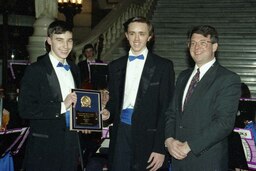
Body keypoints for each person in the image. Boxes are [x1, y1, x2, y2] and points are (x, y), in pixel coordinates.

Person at [102, 16, 175, 171]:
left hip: (149, 138)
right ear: (126, 35)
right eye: (132, 33)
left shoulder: (163, 66)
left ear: (149, 36)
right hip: (121, 134)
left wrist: (160, 148)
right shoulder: (115, 66)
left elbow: (166, 110)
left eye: (141, 34)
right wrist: (108, 112)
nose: (136, 38)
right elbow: (114, 101)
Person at [165, 25, 241, 171]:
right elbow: (171, 113)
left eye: (203, 43)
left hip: (207, 161)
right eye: (193, 43)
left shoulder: (227, 79)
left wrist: (189, 146)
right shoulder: (183, 76)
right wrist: (169, 140)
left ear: (214, 47)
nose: (196, 47)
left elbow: (224, 123)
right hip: (177, 159)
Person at [18, 20, 81, 171]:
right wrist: (62, 106)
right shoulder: (35, 70)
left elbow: (77, 102)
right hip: (45, 145)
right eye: (60, 40)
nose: (65, 46)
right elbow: (25, 109)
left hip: (71, 142)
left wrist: (87, 120)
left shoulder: (74, 68)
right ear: (49, 41)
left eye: (69, 40)